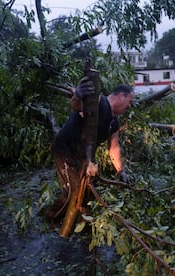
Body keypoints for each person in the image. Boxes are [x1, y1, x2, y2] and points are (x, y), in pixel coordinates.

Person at [45, 77, 134, 227]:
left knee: (86, 190)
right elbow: (77, 107)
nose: (130, 106)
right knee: (71, 190)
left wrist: (121, 171)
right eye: (130, 101)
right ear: (121, 96)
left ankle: (80, 221)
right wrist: (78, 95)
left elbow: (114, 147)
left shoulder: (115, 122)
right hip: (65, 149)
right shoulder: (99, 102)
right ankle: (51, 219)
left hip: (83, 156)